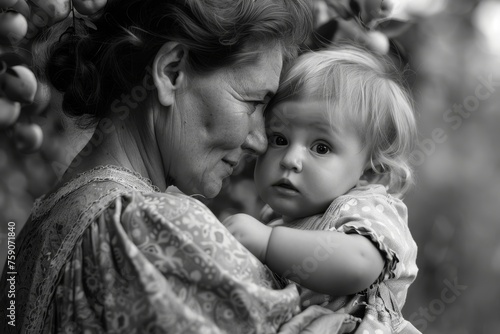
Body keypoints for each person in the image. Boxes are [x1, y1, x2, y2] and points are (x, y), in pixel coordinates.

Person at [0, 1, 326, 333]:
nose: (258, 141)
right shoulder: (154, 227)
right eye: (253, 103)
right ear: (171, 72)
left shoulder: (38, 228)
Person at [224, 46, 422, 333]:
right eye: (279, 139)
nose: (290, 160)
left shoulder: (365, 208)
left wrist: (268, 243)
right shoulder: (276, 221)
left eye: (321, 147)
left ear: (369, 172)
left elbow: (359, 263)